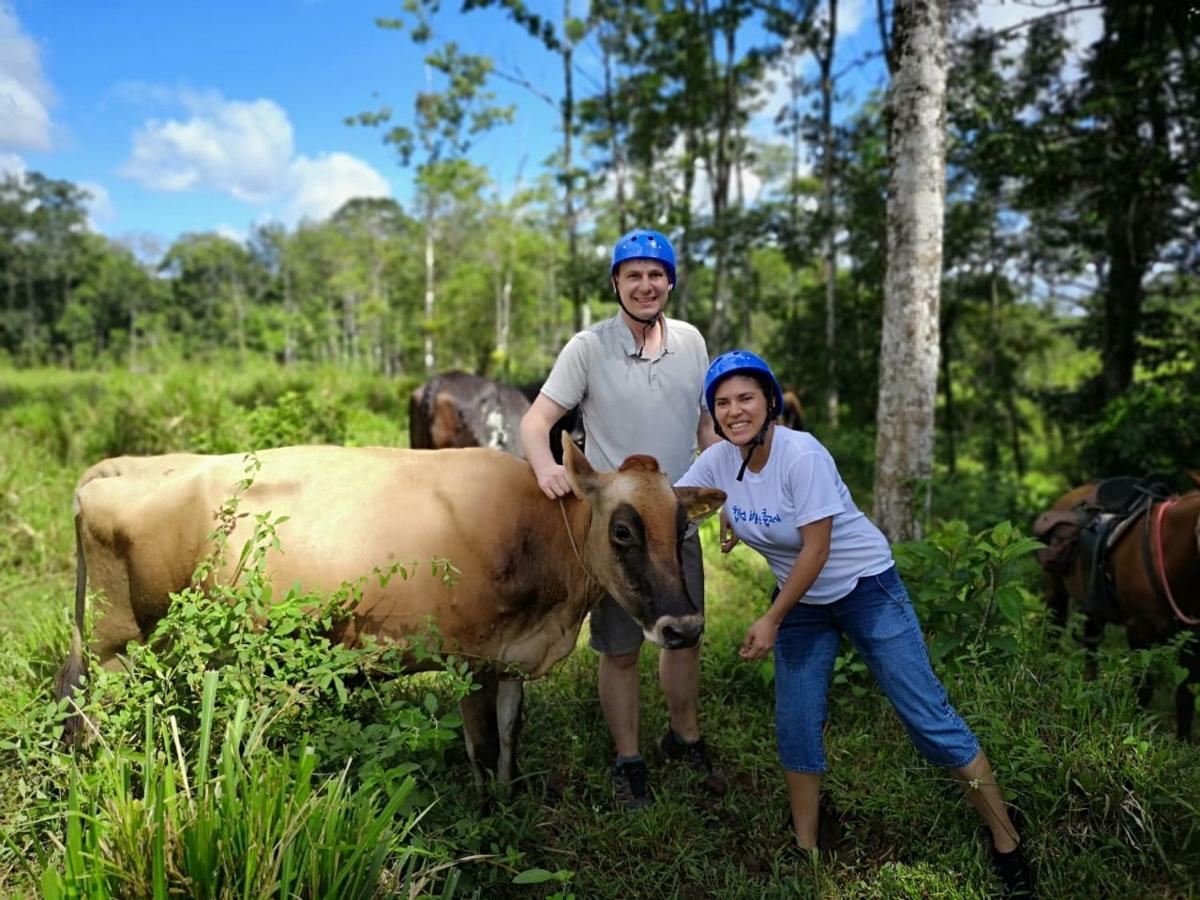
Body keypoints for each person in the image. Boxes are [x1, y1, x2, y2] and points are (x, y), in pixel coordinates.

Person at [675, 349, 1034, 896]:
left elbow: (815, 551)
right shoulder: (722, 459)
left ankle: (1008, 843)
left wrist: (770, 618)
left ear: (770, 402)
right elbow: (670, 500)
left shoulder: (803, 454)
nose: (734, 411)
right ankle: (805, 849)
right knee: (795, 723)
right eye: (722, 403)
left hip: (865, 587)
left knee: (928, 717)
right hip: (802, 605)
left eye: (746, 397)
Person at [519, 228, 724, 811]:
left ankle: (685, 738)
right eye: (632, 275)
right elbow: (537, 424)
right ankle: (628, 759)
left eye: (655, 274)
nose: (644, 285)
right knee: (620, 648)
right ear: (615, 284)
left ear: (670, 283)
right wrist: (545, 469)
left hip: (674, 516)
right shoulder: (588, 347)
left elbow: (705, 427)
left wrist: (725, 488)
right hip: (618, 529)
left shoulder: (690, 342)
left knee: (683, 636)